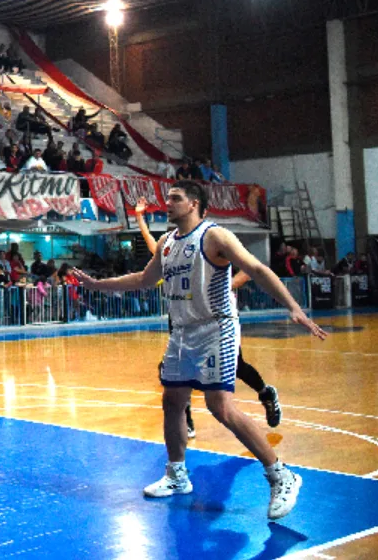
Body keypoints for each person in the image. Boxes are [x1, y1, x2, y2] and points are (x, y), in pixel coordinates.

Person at [75, 181, 326, 520]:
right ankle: (177, 476)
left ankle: (281, 475)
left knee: (220, 406)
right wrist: (97, 285)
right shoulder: (166, 243)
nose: (169, 203)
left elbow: (256, 269)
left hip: (216, 328)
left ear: (194, 204)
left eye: (176, 198)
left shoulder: (215, 236)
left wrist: (293, 306)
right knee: (173, 400)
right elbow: (143, 280)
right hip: (182, 331)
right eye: (169, 198)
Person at [133, 197, 284, 435]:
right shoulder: (173, 248)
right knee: (176, 369)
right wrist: (139, 216)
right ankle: (187, 420)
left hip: (217, 317)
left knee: (237, 367)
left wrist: (227, 286)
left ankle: (265, 392)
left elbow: (250, 269)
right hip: (183, 316)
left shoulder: (213, 242)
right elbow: (152, 244)